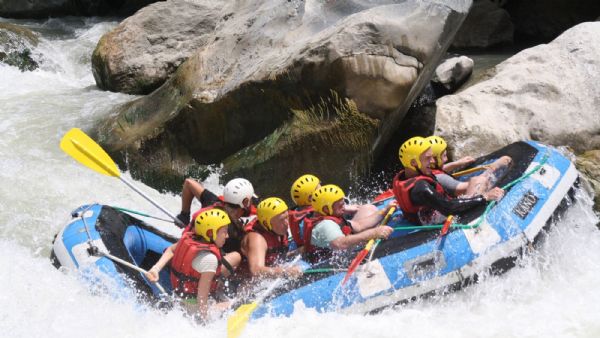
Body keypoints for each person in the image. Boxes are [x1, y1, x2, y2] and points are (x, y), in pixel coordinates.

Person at [145, 209, 240, 322]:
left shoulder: (189, 239)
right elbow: (202, 298)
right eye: (224, 231)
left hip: (180, 297)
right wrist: (206, 321)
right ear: (210, 233)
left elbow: (171, 249)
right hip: (193, 309)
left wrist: (156, 269)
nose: (227, 236)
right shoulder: (210, 259)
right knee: (236, 303)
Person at [393, 136, 504, 225]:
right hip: (436, 217)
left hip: (429, 212)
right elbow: (449, 207)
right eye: (428, 158)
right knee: (478, 182)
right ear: (413, 163)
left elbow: (439, 172)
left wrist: (457, 163)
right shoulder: (421, 188)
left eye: (432, 157)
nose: (432, 161)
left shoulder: (405, 175)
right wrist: (484, 197)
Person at [298, 184, 394, 262]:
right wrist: (374, 233)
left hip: (341, 249)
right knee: (367, 236)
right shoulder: (325, 225)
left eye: (343, 203)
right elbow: (341, 244)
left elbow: (359, 225)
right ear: (326, 209)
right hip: (328, 263)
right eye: (340, 205)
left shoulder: (329, 216)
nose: (344, 207)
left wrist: (385, 210)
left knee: (369, 208)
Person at [177, 178, 257, 255]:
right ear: (246, 202)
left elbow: (188, 182)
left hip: (185, 245)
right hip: (205, 259)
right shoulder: (235, 234)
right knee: (237, 257)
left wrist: (184, 215)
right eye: (251, 200)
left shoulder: (213, 202)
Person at [426, 136, 512, 197]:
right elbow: (468, 187)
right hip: (456, 211)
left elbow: (440, 168)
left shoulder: (428, 169)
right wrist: (491, 169)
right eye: (444, 156)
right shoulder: (441, 178)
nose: (447, 158)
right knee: (479, 180)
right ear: (434, 160)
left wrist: (457, 163)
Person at [241, 197, 303, 278]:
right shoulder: (257, 238)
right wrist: (286, 271)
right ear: (266, 224)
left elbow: (276, 257)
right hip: (246, 282)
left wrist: (297, 252)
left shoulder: (276, 229)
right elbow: (256, 270)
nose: (287, 223)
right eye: (282, 220)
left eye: (287, 217)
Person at [288, 174, 320, 249]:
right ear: (310, 198)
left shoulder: (296, 211)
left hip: (297, 246)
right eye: (319, 190)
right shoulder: (314, 215)